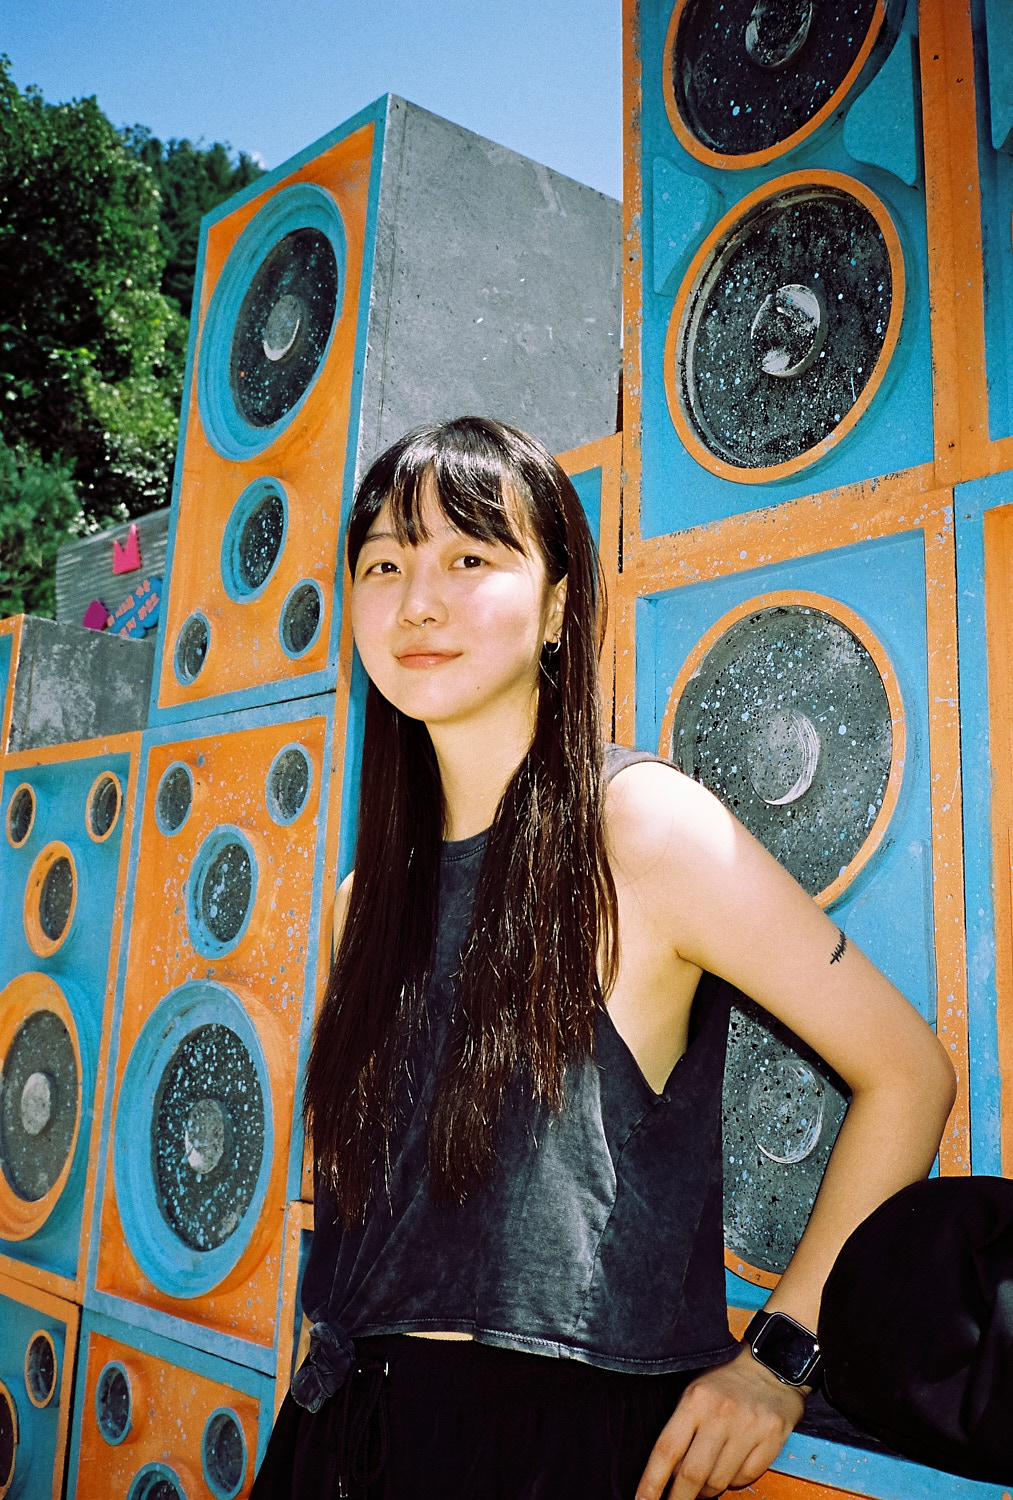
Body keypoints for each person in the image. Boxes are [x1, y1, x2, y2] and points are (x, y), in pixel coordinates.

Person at [252, 416, 955, 1500]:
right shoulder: (364, 904)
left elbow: (904, 1073)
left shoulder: (640, 832)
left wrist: (779, 1356)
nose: (416, 601)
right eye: (383, 563)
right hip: (338, 1434)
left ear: (557, 604)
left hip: (551, 1450)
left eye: (469, 557)